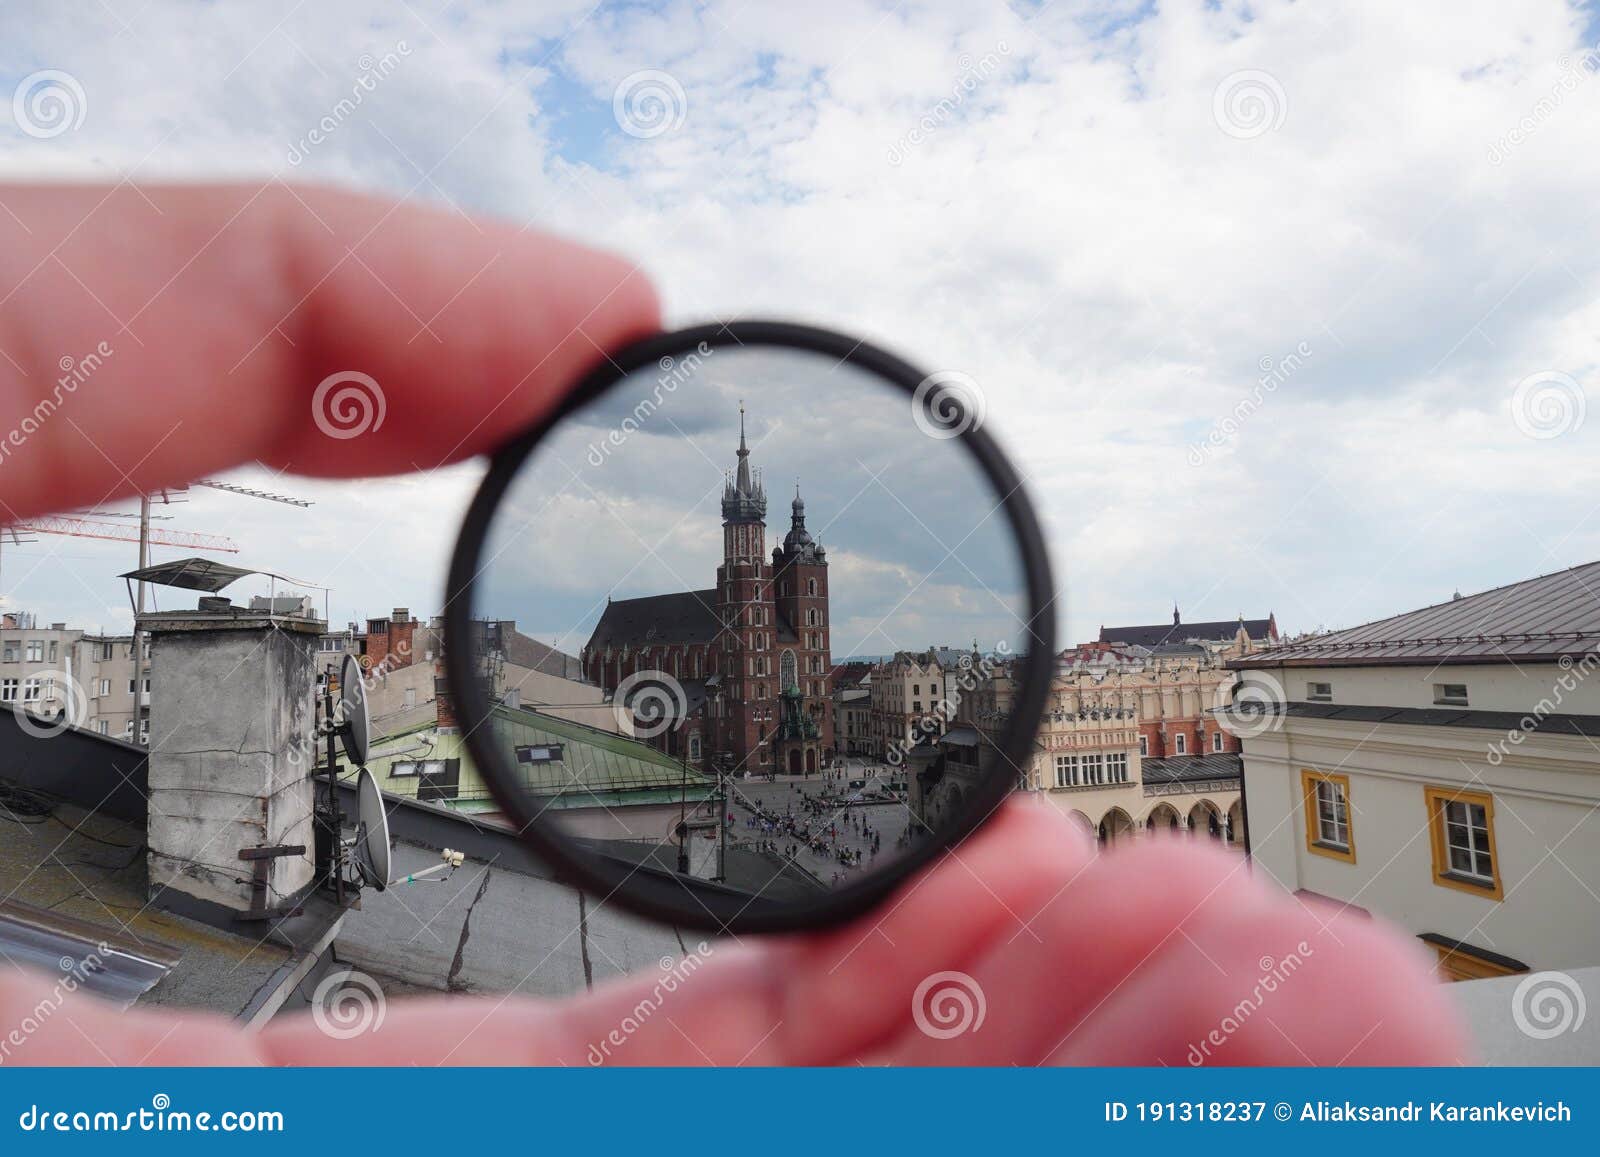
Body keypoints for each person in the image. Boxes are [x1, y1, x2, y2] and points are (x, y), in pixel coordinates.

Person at [0, 184, 1462, 1067]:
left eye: (770, 553)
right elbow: (658, 682)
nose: (761, 558)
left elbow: (787, 688)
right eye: (753, 541)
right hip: (672, 693)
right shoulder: (693, 609)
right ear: (737, 539)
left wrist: (794, 681)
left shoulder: (795, 617)